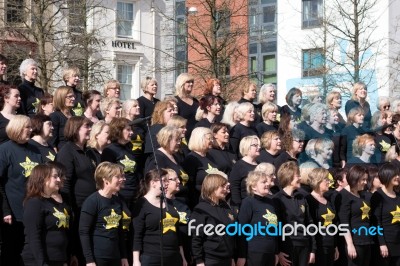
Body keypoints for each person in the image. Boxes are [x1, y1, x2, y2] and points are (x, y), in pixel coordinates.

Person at [0, 115, 43, 265]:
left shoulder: (35, 149)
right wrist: (5, 210)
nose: (31, 130)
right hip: (14, 213)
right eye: (28, 127)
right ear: (17, 128)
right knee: (11, 253)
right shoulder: (5, 150)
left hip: (35, 210)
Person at [56, 116, 96, 265]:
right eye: (86, 127)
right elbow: (64, 184)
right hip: (77, 209)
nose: (90, 129)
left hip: (91, 207)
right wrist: (69, 209)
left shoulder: (89, 152)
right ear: (75, 129)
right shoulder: (67, 152)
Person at [79, 162, 128, 266]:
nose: (122, 179)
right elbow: (84, 232)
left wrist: (123, 256)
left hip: (115, 256)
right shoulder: (92, 201)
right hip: (98, 257)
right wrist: (89, 260)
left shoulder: (118, 201)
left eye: (122, 176)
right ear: (105, 180)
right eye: (117, 177)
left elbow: (119, 231)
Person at [133, 169, 185, 266]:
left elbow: (177, 232)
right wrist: (136, 260)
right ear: (153, 183)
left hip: (174, 257)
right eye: (164, 180)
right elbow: (137, 235)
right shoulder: (142, 204)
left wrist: (182, 256)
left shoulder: (169, 202)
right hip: (152, 258)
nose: (167, 184)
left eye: (168, 181)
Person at [22, 164, 71, 266]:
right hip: (39, 261)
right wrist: (42, 263)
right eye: (55, 176)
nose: (59, 179)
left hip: (58, 259)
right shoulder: (34, 203)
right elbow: (34, 237)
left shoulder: (54, 203)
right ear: (43, 178)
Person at [273, 161, 316, 266]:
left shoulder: (301, 198)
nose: (300, 178)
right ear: (289, 177)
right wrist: (278, 252)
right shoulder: (277, 199)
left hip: (304, 246)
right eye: (297, 175)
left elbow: (309, 224)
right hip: (287, 247)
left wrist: (313, 250)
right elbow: (275, 227)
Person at [191, 173, 235, 266]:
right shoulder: (201, 209)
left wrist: (232, 257)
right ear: (213, 187)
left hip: (227, 259)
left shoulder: (225, 207)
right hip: (211, 259)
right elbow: (196, 238)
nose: (225, 190)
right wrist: (199, 261)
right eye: (222, 186)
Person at [237, 171, 278, 266]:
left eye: (267, 181)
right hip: (255, 253)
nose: (267, 184)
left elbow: (274, 230)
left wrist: (275, 252)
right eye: (263, 182)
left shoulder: (271, 202)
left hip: (270, 252)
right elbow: (242, 230)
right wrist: (242, 255)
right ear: (253, 186)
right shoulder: (248, 202)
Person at [337, 165, 373, 266]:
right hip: (355, 242)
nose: (366, 182)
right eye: (363, 180)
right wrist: (350, 244)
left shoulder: (362, 194)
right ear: (355, 179)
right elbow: (344, 222)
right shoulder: (344, 195)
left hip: (367, 240)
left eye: (366, 179)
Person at [145, 126, 190, 203]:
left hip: (181, 200)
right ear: (167, 140)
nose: (179, 142)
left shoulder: (175, 156)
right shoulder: (157, 158)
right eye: (176, 140)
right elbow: (153, 182)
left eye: (180, 139)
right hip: (167, 202)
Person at [101, 118, 139, 207]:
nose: (132, 133)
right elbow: (107, 174)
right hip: (119, 194)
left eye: (131, 129)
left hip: (134, 193)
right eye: (128, 130)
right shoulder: (109, 150)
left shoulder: (129, 149)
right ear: (118, 131)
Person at [306, 168, 339, 266]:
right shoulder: (309, 200)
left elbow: (333, 224)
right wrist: (312, 250)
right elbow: (310, 226)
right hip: (318, 246)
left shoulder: (328, 200)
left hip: (330, 244)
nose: (329, 182)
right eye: (326, 179)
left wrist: (335, 246)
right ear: (318, 181)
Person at [371, 163, 400, 266]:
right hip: (385, 244)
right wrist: (382, 243)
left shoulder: (398, 195)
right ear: (387, 175)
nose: (398, 177)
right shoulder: (378, 196)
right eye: (394, 174)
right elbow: (376, 222)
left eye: (398, 174)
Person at [182, 127, 218, 208]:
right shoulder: (191, 159)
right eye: (209, 138)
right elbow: (190, 186)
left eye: (212, 138)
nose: (212, 141)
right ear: (199, 139)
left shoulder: (210, 156)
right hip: (199, 202)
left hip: (213, 201)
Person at [164, 168, 192, 265]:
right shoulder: (160, 204)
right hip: (172, 252)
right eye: (175, 179)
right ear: (165, 182)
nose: (179, 181)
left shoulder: (182, 203)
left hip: (187, 250)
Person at [229, 135, 260, 208]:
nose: (259, 147)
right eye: (255, 145)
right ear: (246, 147)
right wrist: (238, 206)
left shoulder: (260, 164)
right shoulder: (239, 166)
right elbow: (234, 187)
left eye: (258, 145)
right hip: (246, 205)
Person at [49, 86, 75, 150]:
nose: (73, 98)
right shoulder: (55, 116)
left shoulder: (73, 115)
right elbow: (52, 142)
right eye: (70, 97)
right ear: (61, 98)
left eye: (73, 96)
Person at [175, 73, 199, 140]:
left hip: (196, 137)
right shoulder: (175, 101)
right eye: (188, 82)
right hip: (183, 138)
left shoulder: (195, 101)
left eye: (192, 82)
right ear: (181, 84)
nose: (191, 84)